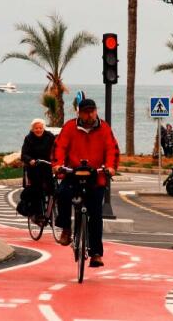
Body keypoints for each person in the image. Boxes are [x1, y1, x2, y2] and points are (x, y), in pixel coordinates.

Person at [52, 98, 119, 268]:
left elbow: (112, 149)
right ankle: (66, 229)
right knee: (62, 194)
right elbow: (59, 147)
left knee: (96, 214)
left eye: (92, 111)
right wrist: (58, 165)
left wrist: (110, 167)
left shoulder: (104, 128)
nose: (90, 115)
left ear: (96, 111)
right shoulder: (69, 127)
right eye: (86, 112)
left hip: (95, 176)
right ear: (79, 113)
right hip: (73, 173)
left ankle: (96, 253)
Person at [20, 119, 55, 220]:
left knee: (53, 188)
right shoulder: (28, 138)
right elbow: (24, 155)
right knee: (37, 189)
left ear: (44, 128)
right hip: (34, 168)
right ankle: (38, 214)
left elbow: (56, 148)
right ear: (32, 129)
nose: (38, 130)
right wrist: (30, 160)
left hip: (47, 165)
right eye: (36, 128)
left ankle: (52, 209)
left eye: (40, 128)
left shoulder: (50, 137)